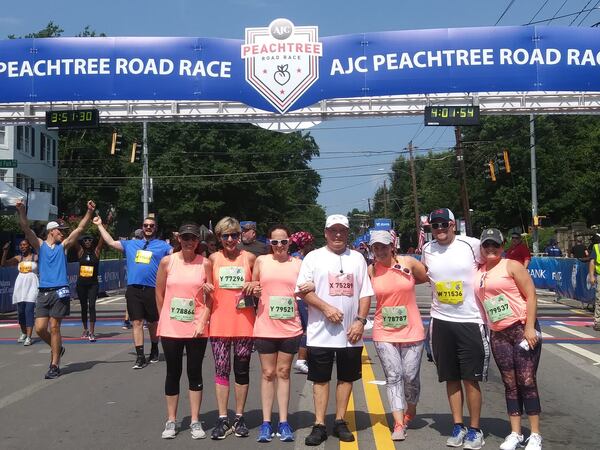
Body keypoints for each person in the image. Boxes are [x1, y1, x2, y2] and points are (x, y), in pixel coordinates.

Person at [296, 214, 374, 446]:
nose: (338, 234)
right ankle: (319, 424)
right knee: (320, 380)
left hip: (350, 333)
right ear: (326, 232)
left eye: (342, 230)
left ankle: (340, 420)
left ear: (347, 233)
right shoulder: (313, 257)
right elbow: (302, 290)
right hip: (321, 332)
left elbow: (365, 293)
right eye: (333, 230)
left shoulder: (357, 258)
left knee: (346, 378)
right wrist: (326, 307)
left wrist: (360, 321)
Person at [421, 208, 488, 449]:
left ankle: (475, 429)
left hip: (470, 320)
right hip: (441, 320)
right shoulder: (427, 250)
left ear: (452, 225)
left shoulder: (471, 245)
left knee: (471, 378)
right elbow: (422, 275)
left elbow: (491, 266)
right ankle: (458, 425)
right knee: (450, 377)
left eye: (443, 225)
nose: (439, 230)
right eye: (434, 226)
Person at [475, 228, 543, 450]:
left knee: (526, 381)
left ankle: (534, 434)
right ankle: (515, 433)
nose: (491, 249)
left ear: (502, 246)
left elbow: (531, 294)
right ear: (482, 248)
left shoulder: (511, 266)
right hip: (499, 333)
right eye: (487, 245)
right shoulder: (478, 271)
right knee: (510, 383)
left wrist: (530, 327)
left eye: (495, 244)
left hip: (522, 329)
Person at [16, 199, 95, 379]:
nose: (63, 233)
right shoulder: (40, 245)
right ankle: (57, 348)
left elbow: (80, 229)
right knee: (40, 329)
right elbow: (26, 229)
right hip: (43, 292)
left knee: (54, 326)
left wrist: (89, 212)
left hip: (60, 290)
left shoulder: (64, 247)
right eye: (61, 230)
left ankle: (54, 365)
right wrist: (21, 211)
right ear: (52, 231)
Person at [368, 230, 428, 441]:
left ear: (392, 246)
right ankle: (399, 423)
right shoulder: (371, 271)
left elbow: (426, 276)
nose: (380, 251)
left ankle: (410, 409)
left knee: (410, 376)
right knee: (394, 377)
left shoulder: (408, 263)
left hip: (412, 330)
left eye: (383, 246)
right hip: (383, 330)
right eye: (376, 247)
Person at [155, 223, 213, 440]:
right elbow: (159, 293)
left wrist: (203, 322)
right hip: (171, 327)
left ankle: (195, 420)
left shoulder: (205, 264)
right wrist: (163, 318)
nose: (189, 242)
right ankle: (171, 419)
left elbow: (210, 298)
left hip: (196, 328)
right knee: (173, 372)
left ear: (198, 241)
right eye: (185, 238)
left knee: (194, 372)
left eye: (193, 238)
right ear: (179, 239)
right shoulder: (167, 262)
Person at [94, 215, 172, 369]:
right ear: (142, 228)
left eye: (151, 226)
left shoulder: (162, 246)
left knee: (153, 322)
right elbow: (110, 242)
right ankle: (140, 356)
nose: (148, 228)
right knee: (136, 321)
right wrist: (99, 225)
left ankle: (155, 347)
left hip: (152, 289)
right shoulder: (131, 244)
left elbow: (176, 254)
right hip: (134, 289)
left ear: (155, 228)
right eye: (145, 225)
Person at [252, 225, 304, 442]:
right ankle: (266, 422)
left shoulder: (299, 264)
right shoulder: (262, 261)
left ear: (289, 242)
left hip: (290, 327)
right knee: (267, 373)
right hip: (265, 326)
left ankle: (283, 422)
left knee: (283, 372)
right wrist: (253, 289)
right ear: (269, 243)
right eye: (275, 242)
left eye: (283, 242)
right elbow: (253, 285)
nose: (279, 246)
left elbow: (307, 290)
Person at [207, 217, 257, 440]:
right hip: (218, 324)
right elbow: (206, 292)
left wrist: (255, 286)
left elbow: (261, 286)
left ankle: (239, 417)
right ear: (219, 237)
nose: (230, 239)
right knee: (221, 371)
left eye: (234, 235)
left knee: (242, 370)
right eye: (225, 235)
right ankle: (222, 418)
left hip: (245, 324)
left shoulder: (251, 259)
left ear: (240, 236)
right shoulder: (212, 259)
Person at [2, 240, 38, 346]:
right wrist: (5, 251)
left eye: (25, 245)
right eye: (21, 245)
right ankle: (23, 333)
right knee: (21, 312)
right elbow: (4, 264)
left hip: (32, 286)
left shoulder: (36, 257)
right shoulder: (18, 258)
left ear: (29, 246)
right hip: (20, 287)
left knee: (29, 310)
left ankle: (29, 337)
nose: (22, 247)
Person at [290, 230, 315, 374]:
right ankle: (301, 359)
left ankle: (305, 357)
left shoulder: (293, 257)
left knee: (305, 327)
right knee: (309, 327)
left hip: (297, 297)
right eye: (310, 243)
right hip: (303, 297)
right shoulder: (302, 259)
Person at [75, 234, 103, 342]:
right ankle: (85, 329)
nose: (87, 242)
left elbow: (101, 239)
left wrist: (105, 225)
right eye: (85, 240)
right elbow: (73, 240)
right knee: (83, 307)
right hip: (81, 284)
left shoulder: (96, 251)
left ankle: (92, 332)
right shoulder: (80, 252)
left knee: (91, 306)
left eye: (89, 240)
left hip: (93, 284)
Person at [588, 239, 600, 332]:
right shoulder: (597, 247)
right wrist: (592, 276)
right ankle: (598, 322)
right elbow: (592, 262)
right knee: (599, 299)